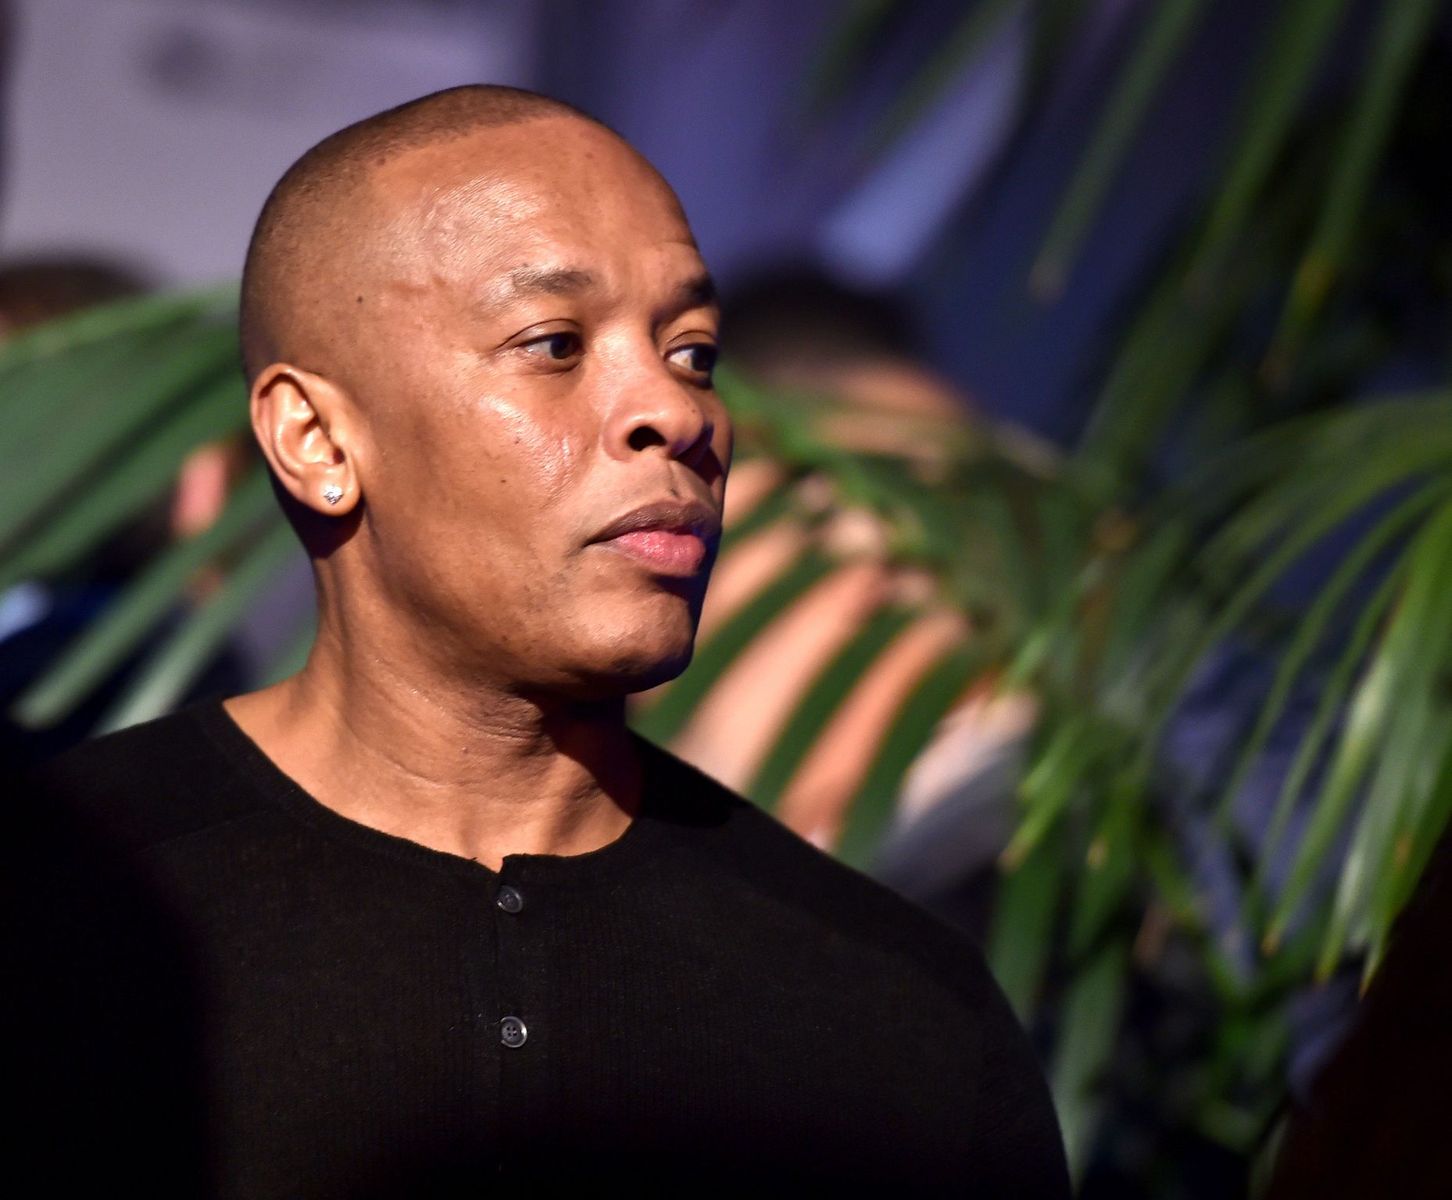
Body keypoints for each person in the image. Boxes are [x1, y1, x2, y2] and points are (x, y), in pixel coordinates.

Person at [11, 84, 1068, 1195]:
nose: (675, 411)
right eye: (555, 344)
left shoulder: (897, 1013)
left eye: (695, 352)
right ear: (317, 437)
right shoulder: (58, 917)